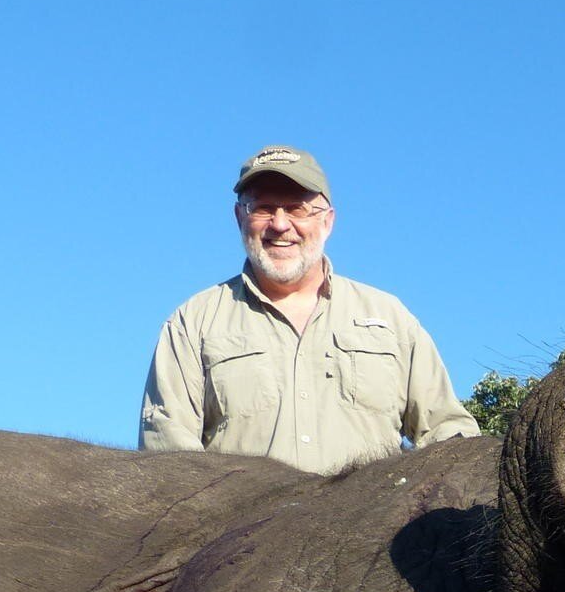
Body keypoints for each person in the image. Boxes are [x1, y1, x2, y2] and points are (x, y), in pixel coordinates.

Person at [139, 146, 480, 472]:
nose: (280, 224)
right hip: (243, 533)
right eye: (263, 208)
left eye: (297, 208)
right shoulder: (192, 323)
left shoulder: (390, 318)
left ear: (327, 221)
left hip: (373, 532)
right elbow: (168, 458)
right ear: (239, 218)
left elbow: (448, 434)